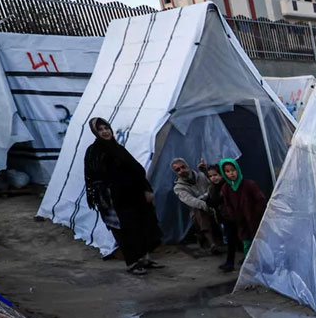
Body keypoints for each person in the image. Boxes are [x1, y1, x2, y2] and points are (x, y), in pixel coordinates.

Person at [82, 117, 162, 275]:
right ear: (95, 133)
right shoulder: (94, 151)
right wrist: (106, 196)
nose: (105, 132)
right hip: (115, 198)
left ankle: (144, 258)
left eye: (107, 128)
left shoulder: (117, 148)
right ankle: (133, 262)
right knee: (126, 230)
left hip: (134, 195)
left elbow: (136, 170)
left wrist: (145, 188)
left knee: (144, 225)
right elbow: (94, 177)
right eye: (101, 129)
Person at [218, 158, 268, 255]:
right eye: (227, 171)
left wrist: (256, 214)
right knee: (246, 243)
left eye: (233, 170)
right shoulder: (226, 188)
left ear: (238, 169)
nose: (231, 173)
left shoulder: (249, 184)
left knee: (259, 242)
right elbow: (227, 204)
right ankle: (249, 264)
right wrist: (233, 216)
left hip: (255, 220)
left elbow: (261, 200)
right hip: (241, 222)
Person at [170, 157, 221, 253]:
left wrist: (206, 172)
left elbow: (215, 184)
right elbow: (190, 200)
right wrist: (206, 205)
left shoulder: (202, 176)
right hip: (201, 210)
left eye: (183, 167)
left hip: (214, 202)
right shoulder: (178, 188)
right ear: (176, 173)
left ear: (188, 167)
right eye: (178, 170)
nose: (182, 170)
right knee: (198, 210)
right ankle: (211, 243)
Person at [201, 163, 239, 272]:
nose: (214, 178)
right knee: (232, 240)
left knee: (234, 241)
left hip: (231, 218)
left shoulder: (226, 186)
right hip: (224, 218)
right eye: (211, 176)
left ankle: (230, 262)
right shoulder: (213, 187)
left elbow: (218, 201)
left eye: (216, 175)